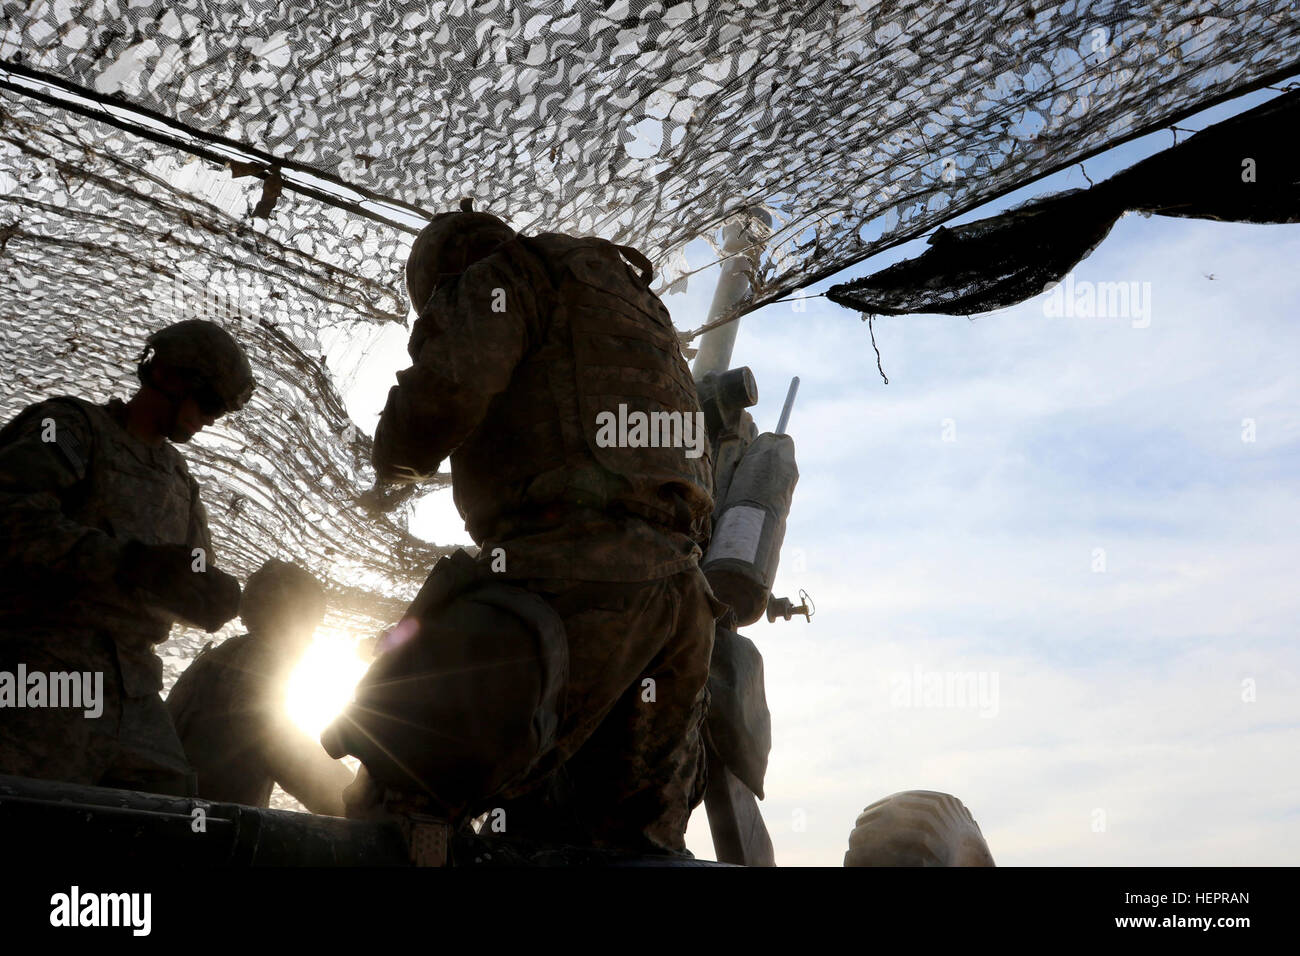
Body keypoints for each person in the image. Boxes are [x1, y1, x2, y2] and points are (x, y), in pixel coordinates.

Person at [324, 202, 723, 856]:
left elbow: (446, 391)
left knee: (399, 791)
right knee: (621, 846)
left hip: (570, 575)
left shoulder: (505, 278)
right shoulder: (627, 300)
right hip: (680, 604)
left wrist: (394, 461)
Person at [0, 319, 251, 796]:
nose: (213, 419)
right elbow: (10, 515)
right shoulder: (68, 427)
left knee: (171, 827)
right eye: (212, 402)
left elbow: (192, 569)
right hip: (42, 676)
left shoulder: (180, 481)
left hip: (134, 695)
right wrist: (126, 561)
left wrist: (211, 594)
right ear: (174, 378)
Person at [166, 559, 353, 815]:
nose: (310, 637)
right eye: (310, 622)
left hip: (179, 814)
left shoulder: (224, 654)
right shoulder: (264, 656)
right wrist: (352, 800)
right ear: (293, 615)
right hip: (208, 827)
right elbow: (266, 731)